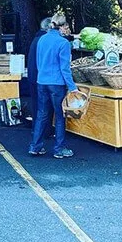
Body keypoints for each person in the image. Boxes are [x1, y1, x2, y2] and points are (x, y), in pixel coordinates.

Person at [28, 12, 78, 159]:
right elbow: (65, 68)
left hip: (41, 81)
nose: (67, 29)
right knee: (60, 116)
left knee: (42, 114)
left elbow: (38, 62)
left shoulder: (41, 39)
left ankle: (35, 146)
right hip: (57, 84)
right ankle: (59, 148)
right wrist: (72, 87)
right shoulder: (63, 43)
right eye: (66, 26)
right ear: (62, 27)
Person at [26, 17, 52, 125]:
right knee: (43, 107)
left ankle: (36, 129)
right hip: (40, 77)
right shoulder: (44, 40)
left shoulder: (36, 38)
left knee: (36, 104)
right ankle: (44, 131)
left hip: (33, 75)